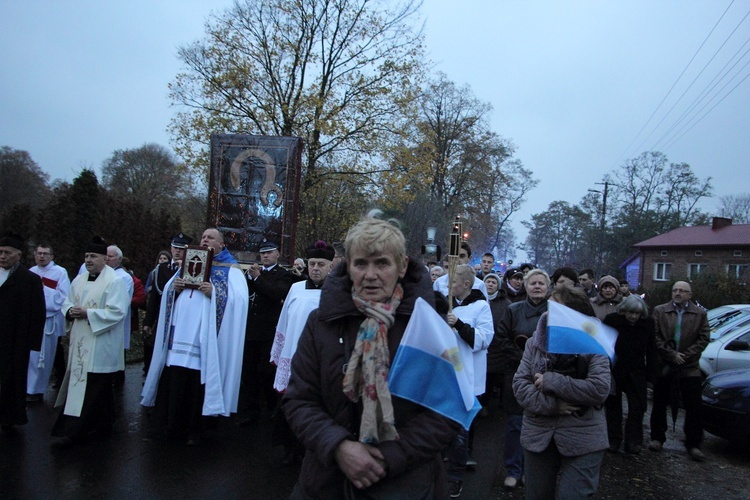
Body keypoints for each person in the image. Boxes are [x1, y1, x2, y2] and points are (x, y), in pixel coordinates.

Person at [282, 211, 460, 498]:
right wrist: (339, 446)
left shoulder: (427, 326)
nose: (370, 275)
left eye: (382, 263)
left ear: (402, 266)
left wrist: (389, 457)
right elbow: (300, 399)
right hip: (326, 483)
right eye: (361, 263)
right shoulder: (322, 323)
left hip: (408, 483)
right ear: (347, 266)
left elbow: (447, 410)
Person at [142, 228, 248, 445]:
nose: (205, 240)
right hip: (179, 336)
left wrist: (215, 293)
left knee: (195, 384)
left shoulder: (231, 269)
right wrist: (176, 288)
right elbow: (168, 295)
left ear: (221, 245)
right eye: (203, 237)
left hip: (206, 340)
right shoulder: (190, 262)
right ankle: (170, 426)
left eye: (211, 238)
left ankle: (197, 430)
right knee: (175, 380)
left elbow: (239, 301)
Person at [513, 286, 611, 500]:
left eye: (558, 308)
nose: (550, 313)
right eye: (550, 307)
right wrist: (553, 406)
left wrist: (552, 381)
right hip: (539, 435)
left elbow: (599, 388)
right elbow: (520, 386)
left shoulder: (594, 342)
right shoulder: (534, 343)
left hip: (584, 436)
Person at [52, 236, 130, 445]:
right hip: (81, 341)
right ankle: (104, 423)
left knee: (93, 388)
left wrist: (88, 313)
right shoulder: (79, 279)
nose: (88, 260)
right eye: (86, 256)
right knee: (96, 389)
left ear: (105, 259)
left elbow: (117, 312)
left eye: (93, 256)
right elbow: (66, 302)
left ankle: (75, 430)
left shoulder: (114, 281)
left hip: (101, 342)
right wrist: (69, 311)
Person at [270, 240, 335, 465]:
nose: (315, 268)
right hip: (292, 356)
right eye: (312, 263)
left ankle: (312, 452)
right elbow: (284, 321)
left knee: (315, 408)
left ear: (331, 267)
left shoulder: (336, 292)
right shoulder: (296, 288)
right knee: (291, 405)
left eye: (321, 264)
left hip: (319, 360)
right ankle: (290, 450)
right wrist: (278, 354)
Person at [495, 268, 550, 490]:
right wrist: (526, 359)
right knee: (515, 423)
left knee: (541, 423)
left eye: (541, 283)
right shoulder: (513, 310)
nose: (537, 286)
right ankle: (513, 469)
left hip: (546, 375)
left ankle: (532, 471)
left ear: (548, 288)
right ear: (525, 286)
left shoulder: (557, 312)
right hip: (516, 372)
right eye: (533, 283)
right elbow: (502, 338)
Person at [444, 264, 494, 496]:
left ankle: (455, 476)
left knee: (460, 432)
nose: (448, 286)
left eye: (452, 282)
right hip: (445, 373)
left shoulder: (481, 306)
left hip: (467, 375)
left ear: (465, 284)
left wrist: (460, 325)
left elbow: (483, 339)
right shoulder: (446, 304)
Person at [648, 281, 709, 462]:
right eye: (675, 290)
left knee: (693, 406)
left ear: (690, 294)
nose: (678, 293)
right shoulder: (660, 310)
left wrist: (684, 356)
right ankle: (657, 438)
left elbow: (704, 338)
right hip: (665, 365)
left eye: (682, 291)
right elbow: (655, 336)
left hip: (689, 367)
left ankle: (693, 444)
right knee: (659, 402)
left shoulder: (700, 314)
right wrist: (670, 354)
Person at [240, 239, 295, 424]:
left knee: (266, 371)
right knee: (249, 372)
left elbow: (276, 294)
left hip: (269, 331)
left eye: (269, 253)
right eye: (263, 253)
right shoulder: (253, 273)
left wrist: (257, 278)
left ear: (277, 255)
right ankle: (251, 411)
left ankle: (272, 406)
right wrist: (251, 278)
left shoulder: (283, 275)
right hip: (251, 329)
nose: (265, 256)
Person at [0, 232, 45, 430]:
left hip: (15, 339)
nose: (2, 256)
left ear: (18, 255)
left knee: (13, 378)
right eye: (0, 252)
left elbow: (38, 313)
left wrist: (31, 342)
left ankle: (10, 416)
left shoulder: (30, 280)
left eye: (7, 253)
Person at [603, 295, 657, 454]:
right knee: (613, 406)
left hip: (636, 370)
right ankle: (613, 439)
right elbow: (604, 344)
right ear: (624, 311)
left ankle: (633, 441)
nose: (633, 317)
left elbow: (651, 349)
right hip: (615, 368)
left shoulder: (647, 323)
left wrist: (651, 376)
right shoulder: (612, 321)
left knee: (638, 407)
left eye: (637, 314)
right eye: (630, 313)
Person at [143, 234, 192, 376]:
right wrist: (148, 321)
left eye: (181, 249)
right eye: (175, 248)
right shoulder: (161, 268)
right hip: (164, 316)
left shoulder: (191, 269)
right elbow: (155, 298)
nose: (177, 251)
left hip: (182, 319)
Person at [27, 243, 70, 402]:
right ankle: (29, 388)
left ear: (52, 256)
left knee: (43, 356)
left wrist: (43, 291)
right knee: (31, 356)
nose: (42, 256)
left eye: (45, 253)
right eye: (39, 253)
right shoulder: (31, 272)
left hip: (49, 321)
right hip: (33, 319)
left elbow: (63, 297)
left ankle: (37, 390)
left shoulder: (60, 272)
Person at [483, 272, 510, 413]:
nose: (491, 284)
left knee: (493, 377)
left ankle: (491, 404)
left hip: (497, 348)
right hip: (481, 345)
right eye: (488, 281)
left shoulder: (506, 304)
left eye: (494, 282)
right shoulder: (478, 300)